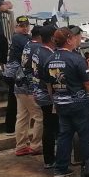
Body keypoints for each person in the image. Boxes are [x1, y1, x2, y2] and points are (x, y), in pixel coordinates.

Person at [47, 26, 89, 177]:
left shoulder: (50, 59)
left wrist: (55, 102)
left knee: (65, 135)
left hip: (61, 104)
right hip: (80, 104)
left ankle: (60, 169)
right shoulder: (75, 59)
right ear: (69, 40)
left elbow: (49, 85)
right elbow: (88, 84)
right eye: (74, 37)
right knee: (87, 136)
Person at [10, 18, 42, 155]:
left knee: (22, 116)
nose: (24, 28)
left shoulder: (28, 44)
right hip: (28, 85)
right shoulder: (23, 40)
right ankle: (36, 145)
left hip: (19, 82)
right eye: (21, 26)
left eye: (26, 26)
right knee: (39, 116)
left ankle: (21, 145)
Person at [32, 24, 59, 169]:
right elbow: (51, 81)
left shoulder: (38, 51)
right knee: (51, 127)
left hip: (38, 92)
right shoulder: (48, 55)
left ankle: (49, 158)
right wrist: (55, 101)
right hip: (47, 96)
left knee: (48, 126)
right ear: (53, 38)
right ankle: (50, 159)